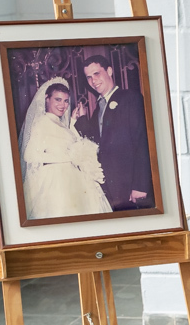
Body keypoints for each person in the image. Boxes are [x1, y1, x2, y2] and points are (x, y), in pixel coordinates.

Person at [19, 78, 112, 220]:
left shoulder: (61, 123)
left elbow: (70, 144)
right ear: (47, 99)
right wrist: (68, 157)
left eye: (66, 101)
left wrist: (73, 122)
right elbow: (29, 155)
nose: (62, 105)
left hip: (73, 177)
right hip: (56, 180)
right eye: (58, 100)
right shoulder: (42, 122)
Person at [72, 54, 154, 212]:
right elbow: (95, 142)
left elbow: (143, 141)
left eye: (96, 73)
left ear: (109, 71)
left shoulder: (130, 98)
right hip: (109, 188)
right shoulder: (98, 109)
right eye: (89, 77)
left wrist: (140, 185)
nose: (93, 81)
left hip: (131, 186)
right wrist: (81, 119)